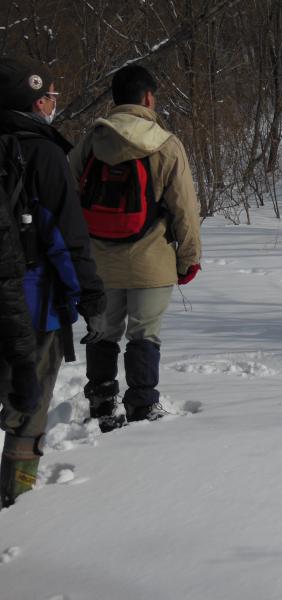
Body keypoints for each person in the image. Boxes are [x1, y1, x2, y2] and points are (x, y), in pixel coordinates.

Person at [68, 64, 201, 429]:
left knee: (103, 331)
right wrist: (188, 259)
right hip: (151, 260)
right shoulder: (166, 144)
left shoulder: (92, 140)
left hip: (98, 263)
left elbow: (66, 197)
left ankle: (101, 401)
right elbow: (185, 209)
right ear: (147, 98)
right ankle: (142, 406)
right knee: (144, 334)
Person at [0, 57, 106, 507]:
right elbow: (65, 237)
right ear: (33, 101)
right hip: (31, 304)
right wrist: (91, 296)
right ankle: (18, 504)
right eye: (48, 97)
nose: (52, 105)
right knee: (27, 408)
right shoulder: (42, 152)